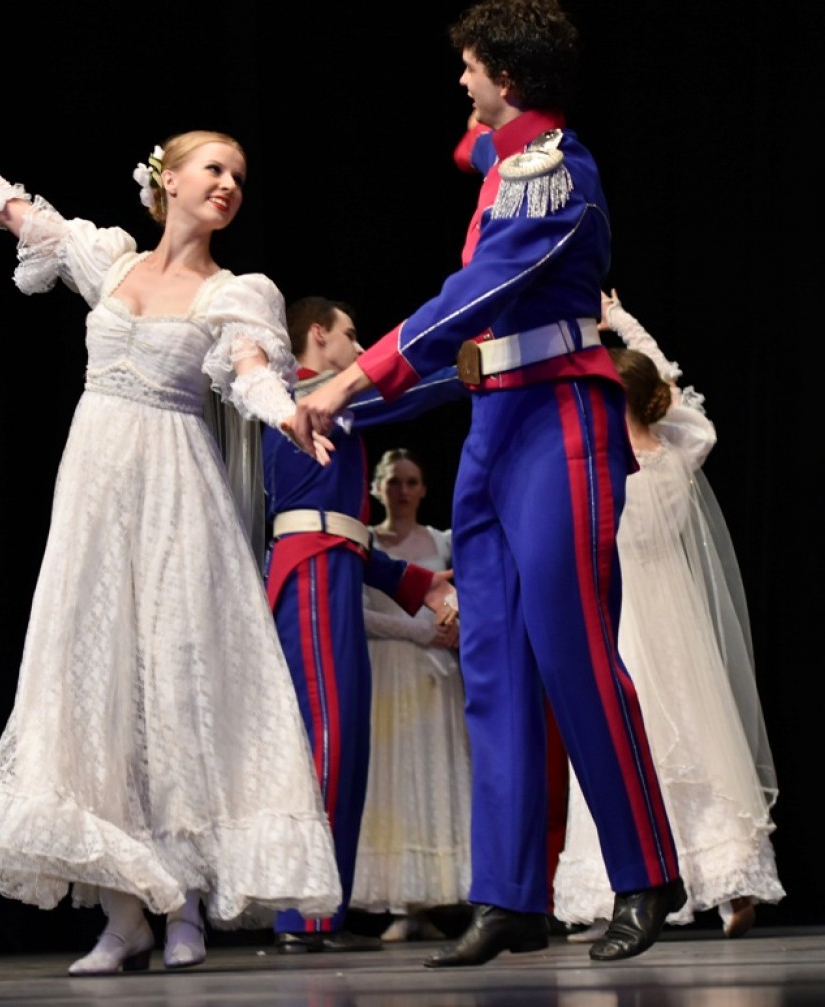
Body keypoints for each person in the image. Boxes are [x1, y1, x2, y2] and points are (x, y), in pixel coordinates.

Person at [0, 94, 342, 976]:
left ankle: (185, 906)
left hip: (175, 493)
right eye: (214, 168)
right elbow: (9, 206)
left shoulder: (235, 292)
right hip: (94, 489)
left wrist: (287, 413)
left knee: (174, 677)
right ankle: (125, 917)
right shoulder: (109, 260)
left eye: (239, 176)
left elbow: (250, 372)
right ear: (169, 180)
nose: (229, 184)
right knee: (93, 681)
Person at [285, 0, 687, 966]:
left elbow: (475, 295)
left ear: (506, 78)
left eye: (471, 68)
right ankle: (509, 895)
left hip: (561, 422)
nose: (460, 83)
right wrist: (345, 404)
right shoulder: (510, 165)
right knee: (494, 663)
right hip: (497, 424)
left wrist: (350, 377)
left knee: (574, 650)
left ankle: (646, 872)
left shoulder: (558, 172)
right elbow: (471, 317)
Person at [552, 291, 785, 942]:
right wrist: (625, 323)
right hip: (671, 618)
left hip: (626, 615)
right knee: (692, 739)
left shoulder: (597, 465)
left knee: (629, 742)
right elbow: (671, 388)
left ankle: (625, 890)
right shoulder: (682, 448)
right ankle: (727, 883)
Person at [263, 297, 466, 953]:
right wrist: (476, 361)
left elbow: (349, 531)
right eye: (351, 335)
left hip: (333, 568)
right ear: (317, 335)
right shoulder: (306, 396)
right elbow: (407, 390)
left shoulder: (324, 403)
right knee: (327, 735)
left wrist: (418, 583)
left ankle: (324, 909)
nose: (359, 348)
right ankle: (305, 913)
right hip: (311, 574)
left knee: (345, 741)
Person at [350, 448, 471, 942]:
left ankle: (432, 898)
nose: (402, 491)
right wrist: (417, 632)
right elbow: (353, 611)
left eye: (411, 481)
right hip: (384, 669)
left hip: (432, 678)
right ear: (377, 487)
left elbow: (465, 595)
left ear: (423, 489)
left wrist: (456, 625)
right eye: (393, 481)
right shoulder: (364, 542)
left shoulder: (441, 542)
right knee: (390, 780)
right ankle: (399, 901)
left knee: (432, 774)